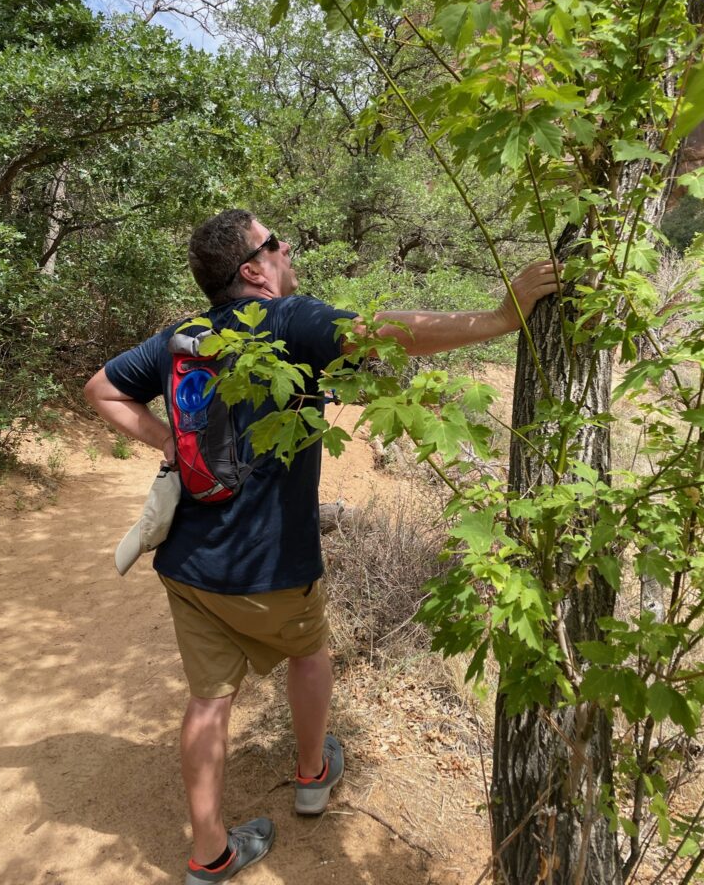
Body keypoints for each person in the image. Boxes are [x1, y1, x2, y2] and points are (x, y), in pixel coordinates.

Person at [84, 209, 560, 884]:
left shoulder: (180, 338)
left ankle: (208, 855)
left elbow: (100, 388)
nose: (288, 248)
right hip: (269, 563)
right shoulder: (287, 318)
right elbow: (385, 332)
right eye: (275, 242)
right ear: (253, 269)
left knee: (208, 699)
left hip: (187, 563)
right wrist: (498, 317)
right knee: (308, 653)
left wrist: (165, 439)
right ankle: (312, 776)